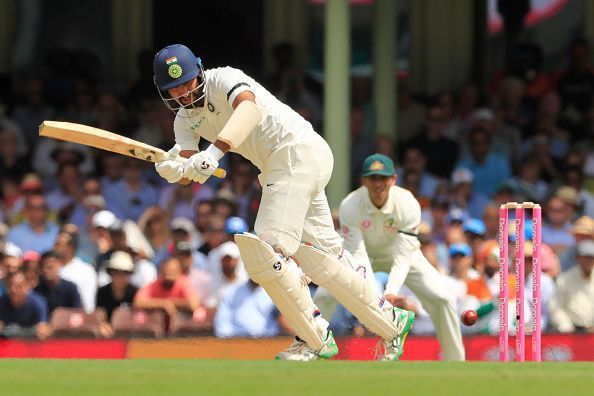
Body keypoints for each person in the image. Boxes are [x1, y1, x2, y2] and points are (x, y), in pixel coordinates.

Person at [151, 44, 414, 361]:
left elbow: (248, 110)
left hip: (295, 153)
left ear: (200, 71)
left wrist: (213, 153)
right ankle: (391, 323)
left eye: (187, 82)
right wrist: (175, 169)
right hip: (284, 167)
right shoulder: (184, 121)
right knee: (322, 259)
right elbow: (193, 171)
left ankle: (314, 337)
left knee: (268, 249)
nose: (182, 92)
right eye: (173, 88)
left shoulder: (224, 79)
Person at [339, 154, 465, 361]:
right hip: (366, 256)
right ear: (364, 180)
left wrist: (391, 291)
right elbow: (358, 255)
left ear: (393, 179)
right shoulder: (350, 204)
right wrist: (377, 298)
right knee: (325, 295)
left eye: (383, 178)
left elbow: (403, 254)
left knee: (443, 298)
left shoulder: (407, 203)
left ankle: (456, 361)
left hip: (407, 256)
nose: (378, 184)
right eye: (373, 178)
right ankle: (312, 351)